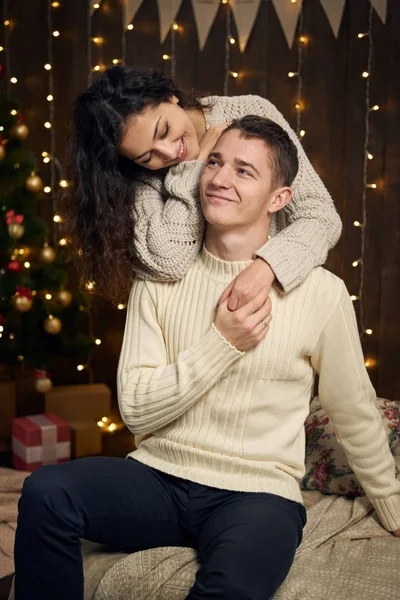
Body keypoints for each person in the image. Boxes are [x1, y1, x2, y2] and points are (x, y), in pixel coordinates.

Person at [14, 116, 399, 600]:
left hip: (258, 494)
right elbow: (135, 409)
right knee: (47, 492)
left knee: (231, 589)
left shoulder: (322, 293)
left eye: (244, 171)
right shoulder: (159, 276)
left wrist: (391, 504)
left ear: (279, 199)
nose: (219, 178)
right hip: (157, 479)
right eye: (214, 161)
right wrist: (223, 343)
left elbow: (354, 408)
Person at [66, 65, 342, 308]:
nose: (168, 152)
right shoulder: (142, 178)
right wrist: (194, 167)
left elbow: (320, 216)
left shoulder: (250, 112)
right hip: (193, 320)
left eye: (163, 131)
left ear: (170, 96)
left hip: (278, 302)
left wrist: (266, 268)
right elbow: (167, 260)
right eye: (147, 155)